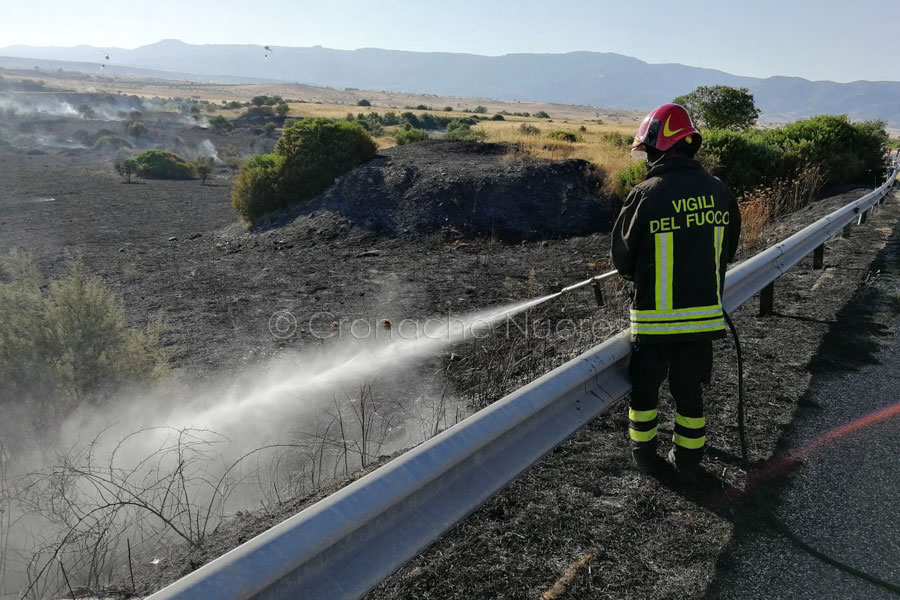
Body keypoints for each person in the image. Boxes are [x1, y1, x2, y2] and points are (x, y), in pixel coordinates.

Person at [611, 103, 741, 483]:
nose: (646, 158)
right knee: (690, 395)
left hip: (654, 324)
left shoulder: (646, 194)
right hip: (702, 321)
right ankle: (688, 461)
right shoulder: (719, 192)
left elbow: (623, 260)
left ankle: (645, 457)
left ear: (659, 148)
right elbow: (727, 251)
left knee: (645, 396)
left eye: (648, 150)